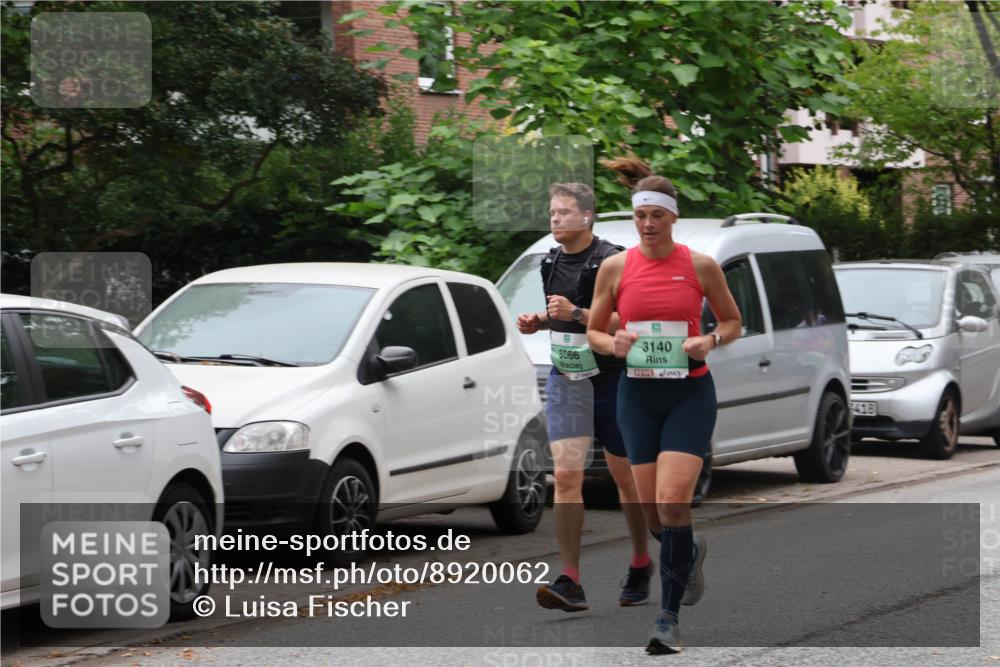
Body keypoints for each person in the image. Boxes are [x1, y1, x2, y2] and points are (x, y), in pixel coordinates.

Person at [587, 157, 742, 654]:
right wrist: (611, 342)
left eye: (657, 215)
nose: (649, 224)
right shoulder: (615, 268)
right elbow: (594, 327)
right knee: (655, 516)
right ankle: (688, 551)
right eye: (641, 216)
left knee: (675, 502)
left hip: (689, 394)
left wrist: (710, 341)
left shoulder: (700, 265)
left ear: (673, 217)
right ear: (633, 219)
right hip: (637, 396)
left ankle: (667, 619)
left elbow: (733, 321)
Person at [517, 182, 653, 612]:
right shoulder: (551, 260)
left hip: (613, 378)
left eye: (563, 212)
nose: (554, 219)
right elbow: (561, 316)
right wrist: (538, 321)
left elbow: (629, 321)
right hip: (568, 377)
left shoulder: (612, 260)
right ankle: (570, 579)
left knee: (624, 478)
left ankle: (640, 560)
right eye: (551, 213)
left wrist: (574, 313)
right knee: (567, 475)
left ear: (586, 217)